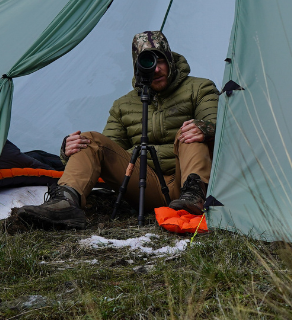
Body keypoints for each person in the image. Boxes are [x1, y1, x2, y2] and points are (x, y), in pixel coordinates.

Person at [16, 31, 219, 230]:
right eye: (148, 63)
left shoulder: (200, 88)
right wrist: (68, 151)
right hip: (144, 185)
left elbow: (222, 125)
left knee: (191, 131)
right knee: (90, 139)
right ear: (137, 67)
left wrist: (206, 128)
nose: (155, 69)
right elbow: (110, 153)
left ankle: (195, 197)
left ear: (170, 60)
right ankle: (64, 203)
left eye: (160, 61)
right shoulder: (123, 105)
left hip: (187, 180)